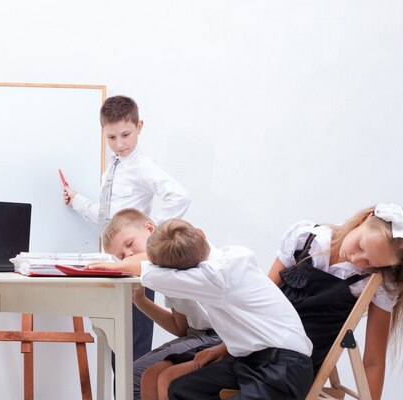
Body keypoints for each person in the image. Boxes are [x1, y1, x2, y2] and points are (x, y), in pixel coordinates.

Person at [162, 203, 403, 400]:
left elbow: (373, 361)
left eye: (370, 263)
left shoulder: (375, 284)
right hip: (255, 349)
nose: (357, 259)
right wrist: (225, 347)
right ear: (365, 218)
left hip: (292, 365)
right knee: (177, 385)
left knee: (174, 380)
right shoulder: (306, 239)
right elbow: (258, 304)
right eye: (360, 246)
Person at [96, 218, 314, 400]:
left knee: (166, 380)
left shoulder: (213, 277)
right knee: (178, 387)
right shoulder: (230, 255)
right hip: (248, 358)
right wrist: (224, 348)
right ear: (202, 232)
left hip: (282, 367)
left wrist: (118, 266)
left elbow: (153, 273)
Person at [63, 94, 191, 361]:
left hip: (134, 267)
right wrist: (76, 201)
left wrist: (154, 237)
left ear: (139, 127)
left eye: (125, 135)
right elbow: (106, 215)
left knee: (133, 348)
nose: (119, 144)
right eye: (111, 138)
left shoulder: (143, 166)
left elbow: (180, 196)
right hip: (112, 265)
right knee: (113, 348)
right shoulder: (112, 169)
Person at [95, 208, 222, 400]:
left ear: (149, 228)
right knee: (134, 372)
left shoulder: (179, 247)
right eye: (121, 256)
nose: (128, 255)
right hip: (198, 335)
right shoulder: (162, 272)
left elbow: (150, 256)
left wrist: (119, 265)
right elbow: (181, 328)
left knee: (133, 376)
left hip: (219, 336)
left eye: (130, 244)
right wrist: (141, 301)